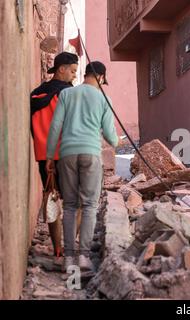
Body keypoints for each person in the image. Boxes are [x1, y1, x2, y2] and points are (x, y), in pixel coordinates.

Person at [46, 61, 118, 271]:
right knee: (89, 206)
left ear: (85, 74)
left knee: (69, 206)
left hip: (67, 154)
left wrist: (50, 156)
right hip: (90, 154)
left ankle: (68, 257)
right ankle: (84, 257)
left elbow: (55, 126)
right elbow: (110, 135)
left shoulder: (67, 95)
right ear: (101, 78)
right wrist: (117, 141)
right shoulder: (104, 98)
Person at [30, 52, 79, 257]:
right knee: (76, 202)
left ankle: (57, 248)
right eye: (73, 71)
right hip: (65, 154)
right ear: (61, 69)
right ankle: (69, 245)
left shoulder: (35, 94)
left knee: (51, 198)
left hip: (43, 156)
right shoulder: (68, 93)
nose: (74, 76)